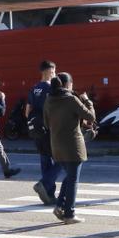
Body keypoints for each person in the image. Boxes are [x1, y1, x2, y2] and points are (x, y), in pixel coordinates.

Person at [44, 72, 96, 225]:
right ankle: (69, 214)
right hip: (73, 146)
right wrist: (87, 101)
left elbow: (46, 124)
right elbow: (91, 116)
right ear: (67, 84)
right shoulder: (71, 99)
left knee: (69, 177)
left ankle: (60, 207)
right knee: (73, 180)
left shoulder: (49, 99)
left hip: (56, 145)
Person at [26, 60, 61, 204]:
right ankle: (45, 184)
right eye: (54, 72)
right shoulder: (51, 89)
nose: (55, 74)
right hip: (49, 130)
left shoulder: (34, 88)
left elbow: (27, 111)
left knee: (45, 160)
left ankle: (48, 195)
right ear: (49, 71)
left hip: (36, 130)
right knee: (61, 159)